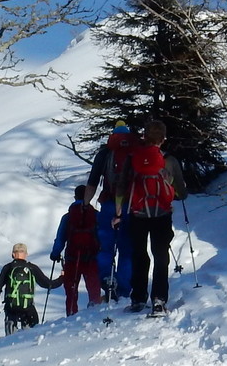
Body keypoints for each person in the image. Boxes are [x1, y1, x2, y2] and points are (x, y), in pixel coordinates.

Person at [118, 120, 185, 316]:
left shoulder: (132, 158)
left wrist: (119, 210)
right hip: (162, 214)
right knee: (160, 255)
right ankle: (159, 300)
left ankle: (138, 298)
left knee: (139, 255)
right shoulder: (169, 160)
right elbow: (182, 191)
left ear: (144, 137)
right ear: (163, 139)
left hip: (137, 214)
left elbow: (122, 185)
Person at [83, 122, 138, 301]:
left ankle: (107, 281)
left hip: (108, 204)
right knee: (127, 249)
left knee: (105, 248)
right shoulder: (134, 151)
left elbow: (92, 183)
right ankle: (123, 288)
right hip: (130, 207)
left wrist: (85, 204)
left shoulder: (105, 153)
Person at [49, 185, 103, 315]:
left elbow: (60, 238)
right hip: (92, 257)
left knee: (71, 290)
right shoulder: (96, 215)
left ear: (75, 197)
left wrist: (55, 254)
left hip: (73, 258)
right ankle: (94, 313)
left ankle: (71, 314)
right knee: (94, 288)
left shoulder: (67, 217)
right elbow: (102, 236)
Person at [0, 242, 62, 335]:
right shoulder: (32, 268)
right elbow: (48, 284)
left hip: (11, 308)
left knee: (10, 340)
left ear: (13, 254)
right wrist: (62, 278)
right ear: (26, 254)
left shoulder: (8, 268)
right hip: (28, 308)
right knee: (30, 337)